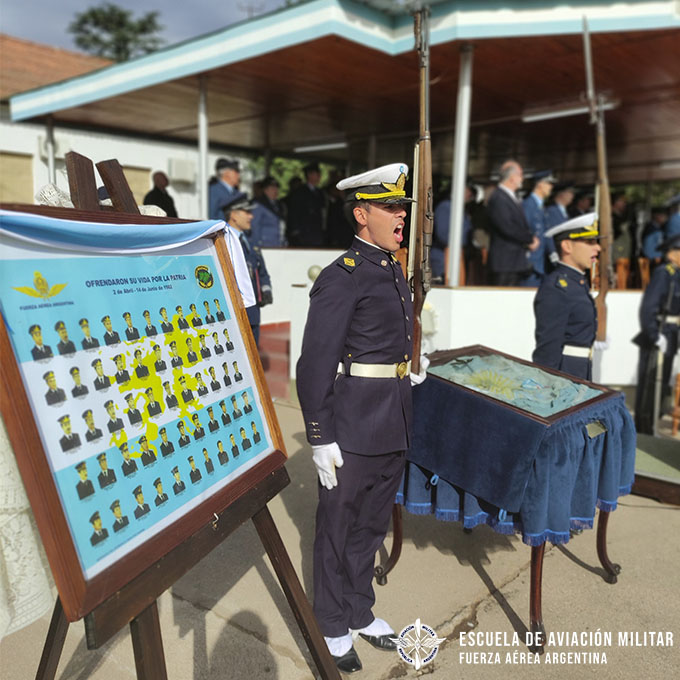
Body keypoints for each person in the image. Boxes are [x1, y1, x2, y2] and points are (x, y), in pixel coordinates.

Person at [296, 162, 427, 673]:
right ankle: (330, 622)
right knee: (336, 527)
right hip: (350, 427)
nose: (401, 217)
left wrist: (409, 366)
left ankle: (358, 610)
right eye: (391, 208)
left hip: (391, 419)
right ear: (361, 215)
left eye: (403, 208)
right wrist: (319, 435)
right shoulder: (341, 277)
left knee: (370, 527)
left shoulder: (391, 268)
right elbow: (315, 362)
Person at [532, 213, 601, 380]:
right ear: (567, 246)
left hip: (579, 371)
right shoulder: (557, 288)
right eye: (589, 242)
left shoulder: (577, 282)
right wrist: (546, 388)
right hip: (564, 376)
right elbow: (548, 346)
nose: (597, 248)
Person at [633, 232, 680, 434]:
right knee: (651, 385)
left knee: (662, 383)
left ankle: (652, 423)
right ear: (672, 254)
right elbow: (648, 307)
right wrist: (653, 335)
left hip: (671, 332)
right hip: (661, 332)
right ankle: (645, 430)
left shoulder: (675, 274)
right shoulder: (664, 273)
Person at [223, 193, 273, 346]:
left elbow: (261, 271)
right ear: (234, 215)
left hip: (252, 313)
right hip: (234, 314)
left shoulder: (250, 242)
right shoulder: (222, 242)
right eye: (247, 212)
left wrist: (266, 290)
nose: (251, 216)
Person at [487, 160, 540, 286]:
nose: (522, 179)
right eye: (520, 175)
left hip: (513, 261)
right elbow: (507, 227)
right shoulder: (499, 197)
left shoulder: (510, 196)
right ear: (512, 177)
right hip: (504, 262)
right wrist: (529, 239)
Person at [522, 170, 556, 286]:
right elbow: (523, 229)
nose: (551, 187)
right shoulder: (528, 205)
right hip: (530, 264)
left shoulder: (541, 207)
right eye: (549, 184)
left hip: (540, 264)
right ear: (540, 184)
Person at [287, 162, 326, 247]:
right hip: (304, 233)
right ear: (309, 175)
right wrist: (296, 231)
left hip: (317, 233)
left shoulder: (320, 193)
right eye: (317, 174)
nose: (319, 177)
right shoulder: (300, 192)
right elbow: (294, 212)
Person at [251, 176, 285, 247]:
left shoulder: (279, 205)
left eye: (276, 188)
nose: (275, 190)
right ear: (265, 190)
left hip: (277, 243)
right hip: (264, 244)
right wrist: (257, 244)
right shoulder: (259, 204)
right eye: (272, 188)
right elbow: (255, 226)